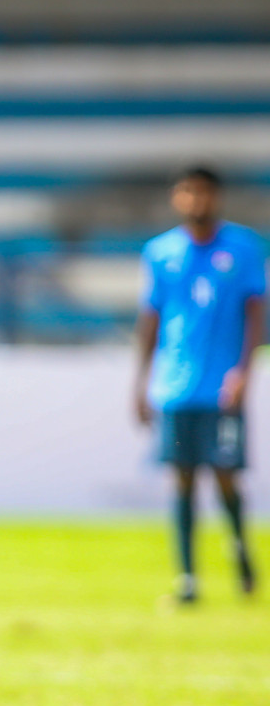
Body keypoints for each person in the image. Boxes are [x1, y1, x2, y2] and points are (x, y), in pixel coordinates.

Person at [134, 166, 265, 604]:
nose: (196, 200)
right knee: (182, 479)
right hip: (175, 386)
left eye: (204, 192)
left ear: (217, 196)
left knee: (226, 476)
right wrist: (141, 380)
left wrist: (245, 369)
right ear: (177, 197)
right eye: (188, 192)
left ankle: (241, 553)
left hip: (222, 385)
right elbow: (151, 318)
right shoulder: (160, 252)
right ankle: (188, 579)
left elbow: (254, 313)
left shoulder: (244, 248)